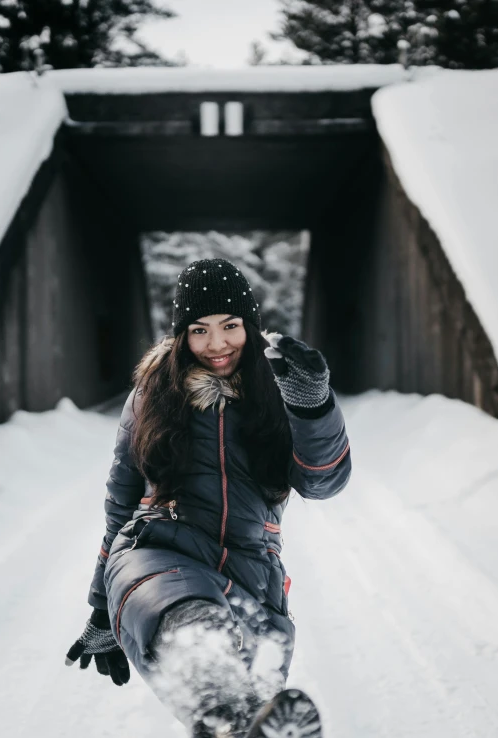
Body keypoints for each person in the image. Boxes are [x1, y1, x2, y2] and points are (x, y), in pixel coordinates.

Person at [66, 258, 351, 737]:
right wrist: (101, 606)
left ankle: (235, 721)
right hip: (157, 552)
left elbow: (322, 481)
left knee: (254, 704)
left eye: (230, 326)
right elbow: (120, 503)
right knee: (193, 622)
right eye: (199, 330)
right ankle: (226, 712)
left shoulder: (280, 391)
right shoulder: (153, 392)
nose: (216, 344)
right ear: (181, 336)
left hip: (250, 569)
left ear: (251, 327)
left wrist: (313, 405)